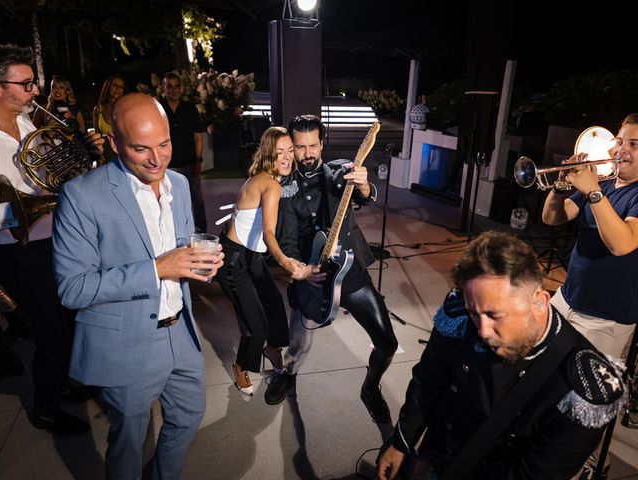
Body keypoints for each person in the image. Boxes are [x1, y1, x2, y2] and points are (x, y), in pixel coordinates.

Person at [52, 92, 224, 479]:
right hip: (126, 339)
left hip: (181, 332)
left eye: (164, 144)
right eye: (141, 148)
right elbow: (73, 288)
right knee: (129, 441)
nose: (157, 158)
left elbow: (181, 253)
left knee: (190, 414)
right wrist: (157, 269)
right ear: (114, 143)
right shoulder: (81, 196)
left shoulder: (179, 183)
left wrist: (200, 265)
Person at [376, 230, 626, 480]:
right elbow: (428, 380)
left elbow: (535, 475)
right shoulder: (462, 310)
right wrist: (401, 442)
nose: (483, 331)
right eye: (475, 313)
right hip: (436, 454)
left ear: (539, 302)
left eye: (495, 316)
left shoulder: (586, 391)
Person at [264, 114, 398, 424]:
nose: (308, 153)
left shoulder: (339, 173)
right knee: (297, 347)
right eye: (300, 147)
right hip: (311, 279)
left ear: (322, 143)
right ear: (291, 147)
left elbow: (366, 197)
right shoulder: (284, 189)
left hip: (351, 275)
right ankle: (288, 372)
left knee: (387, 343)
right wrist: (302, 271)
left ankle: (371, 387)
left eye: (313, 145)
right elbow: (287, 240)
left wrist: (364, 186)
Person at [0, 43, 103, 436]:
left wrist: (83, 153)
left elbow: (59, 172)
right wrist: (21, 212)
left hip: (52, 237)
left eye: (34, 83)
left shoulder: (28, 125)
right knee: (51, 329)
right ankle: (45, 407)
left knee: (71, 315)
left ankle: (60, 383)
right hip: (14, 249)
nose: (35, 92)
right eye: (25, 84)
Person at [542, 114, 638, 479]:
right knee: (544, 378)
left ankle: (581, 466)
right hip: (567, 300)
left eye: (633, 144)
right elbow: (553, 217)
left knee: (587, 403)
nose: (620, 149)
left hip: (607, 317)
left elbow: (622, 244)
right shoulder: (607, 183)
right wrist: (562, 186)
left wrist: (593, 190)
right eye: (620, 140)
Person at [216, 126, 313, 396]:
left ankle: (272, 348)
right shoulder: (269, 184)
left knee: (273, 304)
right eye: (279, 152)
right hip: (234, 261)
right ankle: (241, 365)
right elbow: (269, 232)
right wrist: (285, 261)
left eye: (290, 150)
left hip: (250, 257)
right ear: (269, 155)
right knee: (255, 325)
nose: (287, 157)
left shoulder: (269, 178)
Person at [160, 72, 207, 233]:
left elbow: (198, 137)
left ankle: (201, 231)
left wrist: (198, 161)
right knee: (168, 202)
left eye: (176, 86)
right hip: (167, 166)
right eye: (169, 86)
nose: (173, 90)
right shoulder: (158, 109)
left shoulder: (190, 109)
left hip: (189, 164)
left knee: (196, 200)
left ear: (181, 88)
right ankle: (173, 232)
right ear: (164, 88)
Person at [93, 73, 126, 163]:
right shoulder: (98, 108)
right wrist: (99, 155)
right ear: (108, 87)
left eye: (121, 87)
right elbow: (97, 135)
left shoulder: (126, 108)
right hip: (105, 154)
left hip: (123, 152)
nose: (118, 89)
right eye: (114, 85)